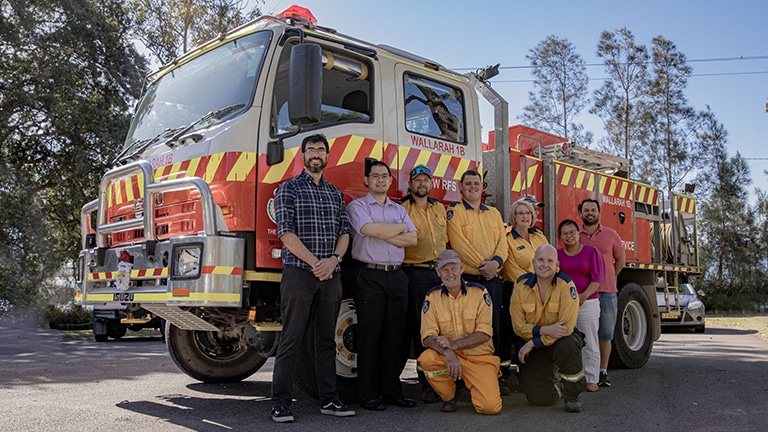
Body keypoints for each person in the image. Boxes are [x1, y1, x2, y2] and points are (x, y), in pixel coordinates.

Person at [270, 134, 355, 423]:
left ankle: (330, 401)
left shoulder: (335, 193)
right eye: (311, 150)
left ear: (327, 156)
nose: (316, 154)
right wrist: (316, 263)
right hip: (299, 273)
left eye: (321, 150)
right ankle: (280, 403)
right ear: (303, 156)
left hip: (331, 273)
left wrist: (334, 261)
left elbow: (345, 232)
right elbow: (285, 232)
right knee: (291, 338)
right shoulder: (288, 189)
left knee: (326, 341)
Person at [348, 160, 418, 410]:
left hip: (397, 277)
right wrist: (398, 229)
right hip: (369, 276)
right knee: (370, 337)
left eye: (384, 176)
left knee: (394, 339)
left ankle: (392, 391)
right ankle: (369, 395)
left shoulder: (398, 208)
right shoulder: (357, 206)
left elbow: (412, 238)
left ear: (390, 181)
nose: (380, 180)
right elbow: (368, 229)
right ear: (366, 180)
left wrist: (385, 231)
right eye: (375, 176)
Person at [446, 170, 509, 393]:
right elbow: (458, 244)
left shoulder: (494, 213)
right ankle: (466, 379)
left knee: (494, 328)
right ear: (460, 187)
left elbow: (503, 242)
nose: (473, 187)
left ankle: (497, 376)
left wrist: (497, 263)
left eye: (477, 184)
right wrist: (485, 266)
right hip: (471, 280)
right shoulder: (454, 212)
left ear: (482, 187)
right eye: (468, 184)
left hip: (493, 280)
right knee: (468, 330)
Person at [418, 249, 502, 415]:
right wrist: (449, 353)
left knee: (490, 407)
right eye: (445, 270)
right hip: (448, 358)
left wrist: (453, 345)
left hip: (479, 358)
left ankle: (474, 387)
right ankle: (450, 396)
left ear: (462, 269)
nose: (450, 274)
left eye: (453, 269)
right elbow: (427, 337)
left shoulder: (480, 293)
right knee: (427, 359)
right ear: (438, 272)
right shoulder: (432, 297)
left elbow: (484, 333)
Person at [510, 244, 586, 413]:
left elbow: (565, 329)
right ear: (533, 262)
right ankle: (556, 387)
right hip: (538, 339)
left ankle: (572, 395)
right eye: (541, 260)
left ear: (556, 265)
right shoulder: (521, 286)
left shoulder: (566, 285)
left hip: (559, 340)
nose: (545, 264)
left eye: (550, 261)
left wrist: (533, 342)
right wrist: (544, 331)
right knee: (539, 399)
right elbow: (517, 326)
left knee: (569, 345)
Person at [397, 165, 447, 404]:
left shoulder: (440, 208)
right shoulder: (402, 208)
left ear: (431, 183)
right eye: (417, 180)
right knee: (421, 330)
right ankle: (426, 384)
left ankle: (444, 379)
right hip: (414, 274)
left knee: (443, 328)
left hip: (439, 274)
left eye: (426, 180)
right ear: (410, 184)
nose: (422, 184)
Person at [578, 198, 626, 388]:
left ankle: (602, 371)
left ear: (599, 212)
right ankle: (584, 371)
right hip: (584, 294)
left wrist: (609, 277)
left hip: (607, 293)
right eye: (586, 210)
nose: (590, 213)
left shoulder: (611, 234)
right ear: (580, 213)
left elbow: (620, 259)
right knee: (583, 334)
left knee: (605, 334)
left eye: (593, 210)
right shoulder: (576, 234)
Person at [557, 219, 606, 392]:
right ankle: (567, 378)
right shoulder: (557, 255)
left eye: (572, 232)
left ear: (579, 233)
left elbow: (597, 279)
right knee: (565, 341)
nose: (569, 236)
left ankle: (591, 379)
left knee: (590, 341)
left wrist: (583, 296)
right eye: (565, 233)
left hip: (588, 302)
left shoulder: (591, 252)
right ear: (560, 237)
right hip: (564, 305)